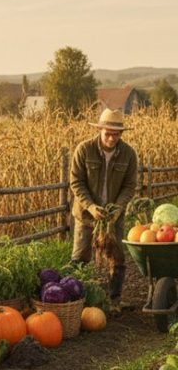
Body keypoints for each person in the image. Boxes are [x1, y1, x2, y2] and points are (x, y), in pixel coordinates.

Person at [69, 108, 138, 304]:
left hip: (112, 216)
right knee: (80, 257)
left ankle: (114, 300)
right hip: (86, 214)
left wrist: (118, 208)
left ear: (121, 134)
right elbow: (76, 182)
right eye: (108, 134)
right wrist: (90, 207)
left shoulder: (129, 154)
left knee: (117, 259)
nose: (111, 138)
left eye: (116, 134)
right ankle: (74, 301)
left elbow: (129, 186)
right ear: (100, 130)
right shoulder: (84, 149)